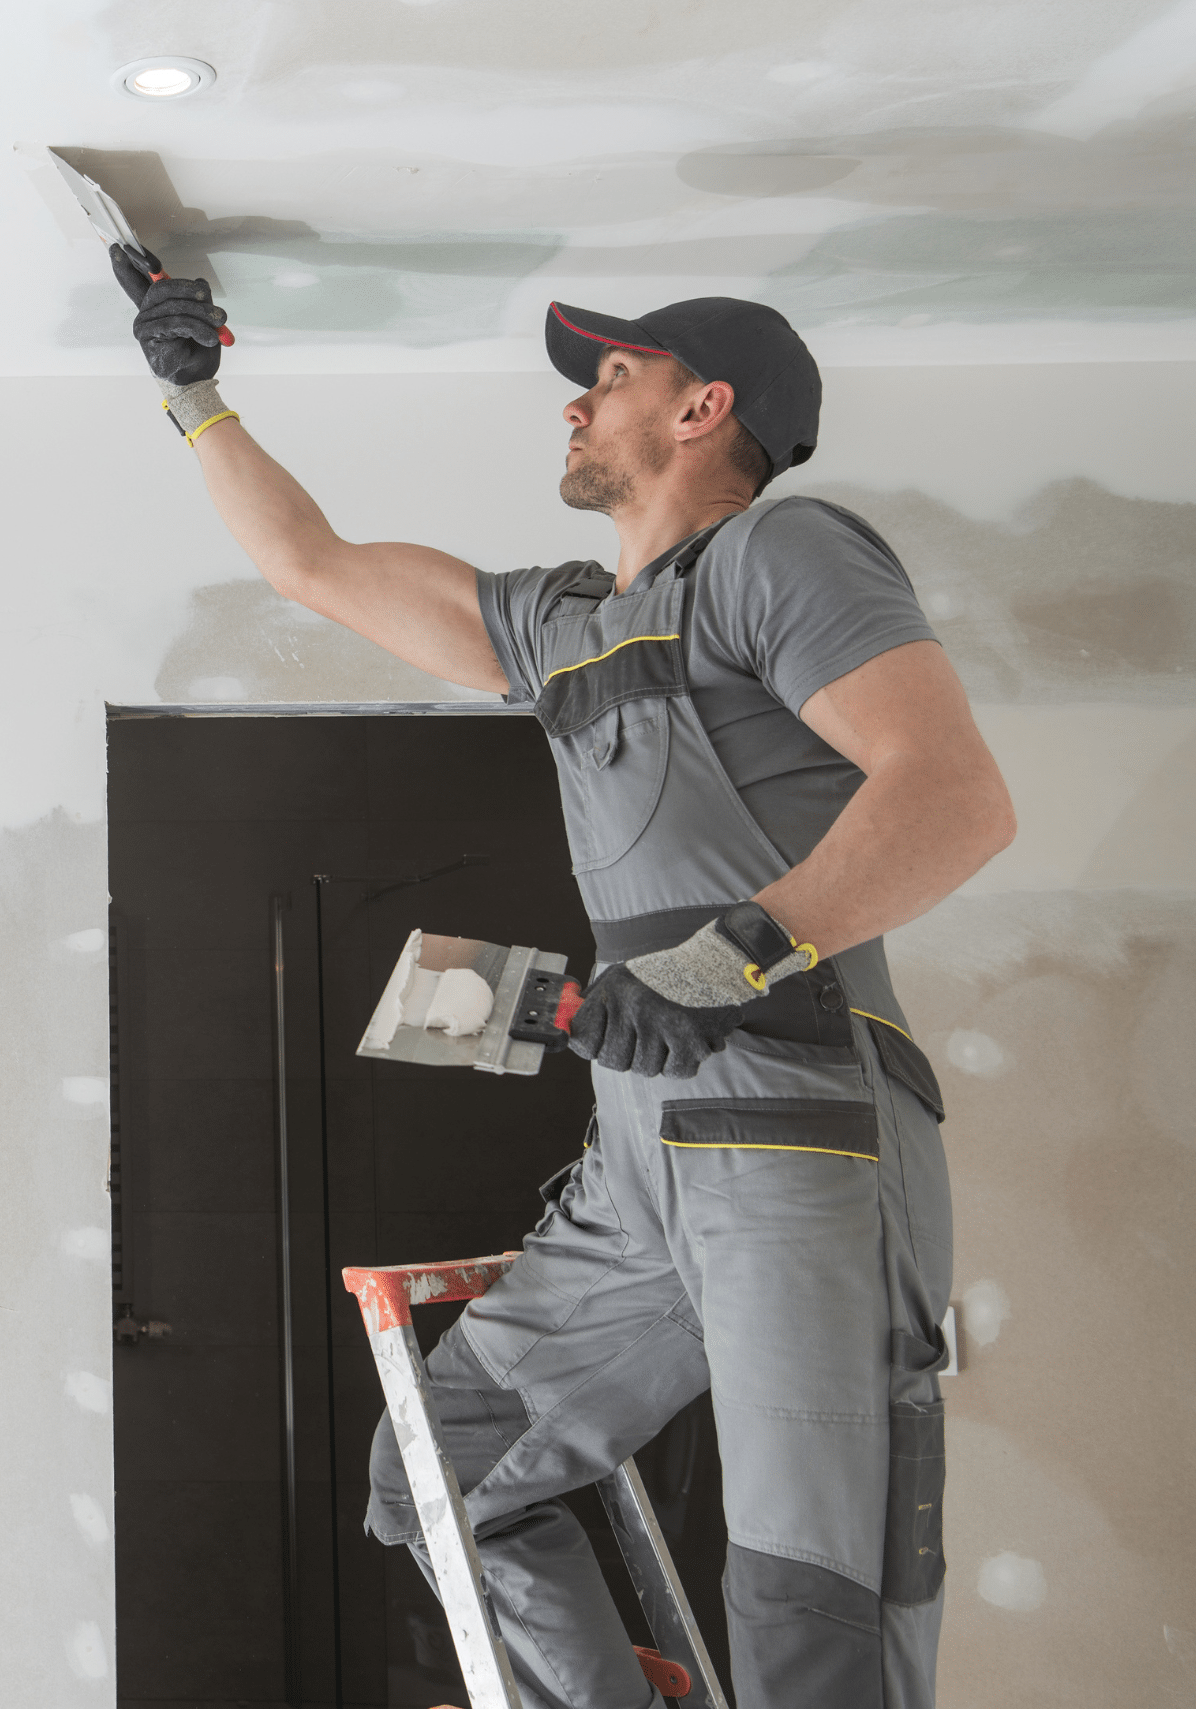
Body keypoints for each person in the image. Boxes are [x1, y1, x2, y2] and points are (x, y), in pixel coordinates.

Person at [113, 249, 1015, 1709]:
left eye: (607, 380)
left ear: (703, 408)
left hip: (798, 1135)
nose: (573, 411)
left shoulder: (781, 559)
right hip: (645, 1161)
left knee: (812, 1594)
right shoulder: (565, 626)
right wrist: (194, 392)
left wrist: (733, 956)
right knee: (443, 1469)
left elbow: (956, 798)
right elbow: (314, 567)